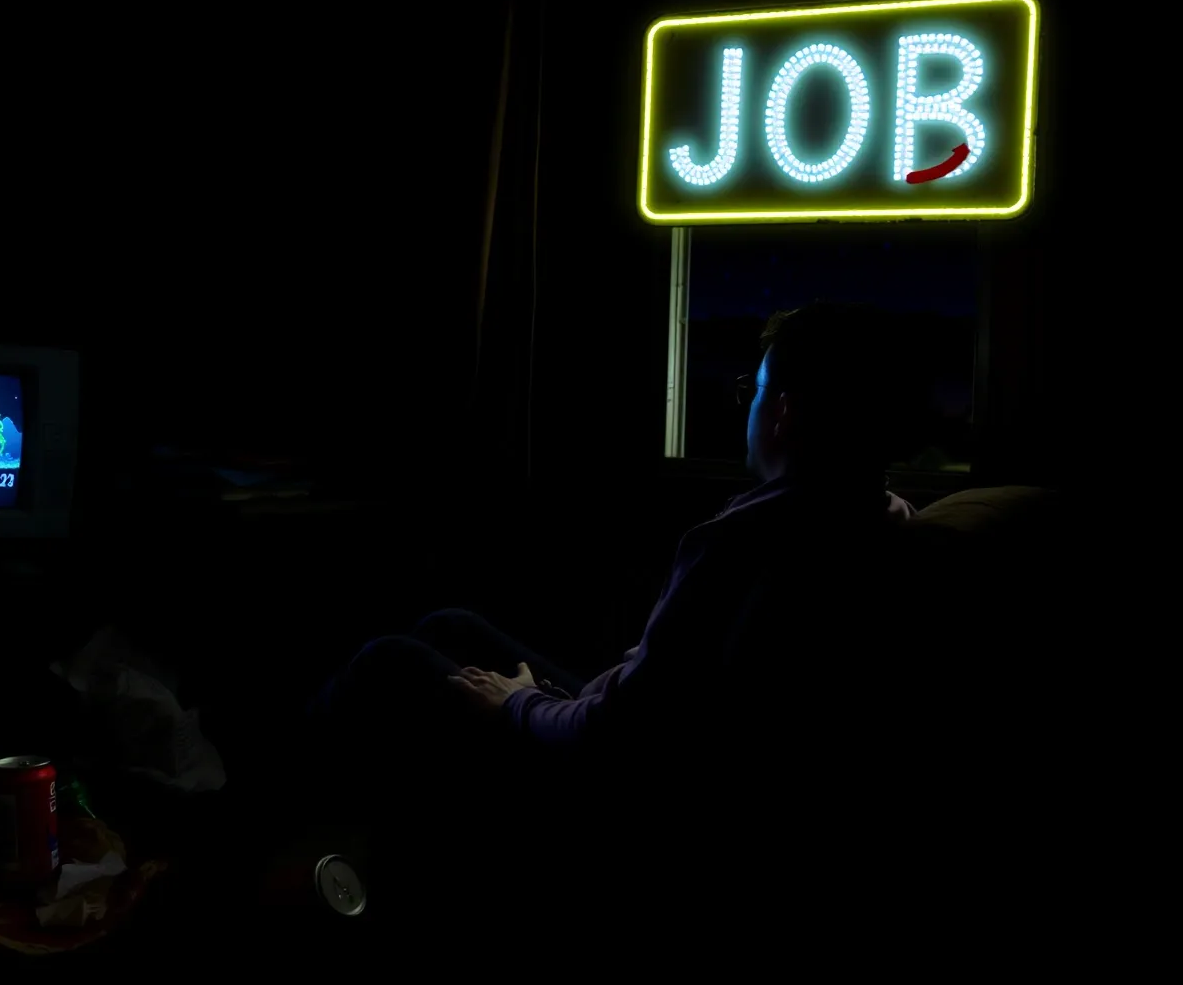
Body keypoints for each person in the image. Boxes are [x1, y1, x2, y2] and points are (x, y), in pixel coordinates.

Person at [308, 303, 922, 859]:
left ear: (783, 411)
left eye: (752, 391)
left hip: (633, 788)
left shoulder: (743, 546)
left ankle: (295, 815)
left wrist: (519, 704)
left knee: (389, 659)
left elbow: (617, 740)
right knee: (452, 626)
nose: (747, 407)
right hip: (647, 736)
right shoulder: (887, 515)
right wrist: (541, 699)